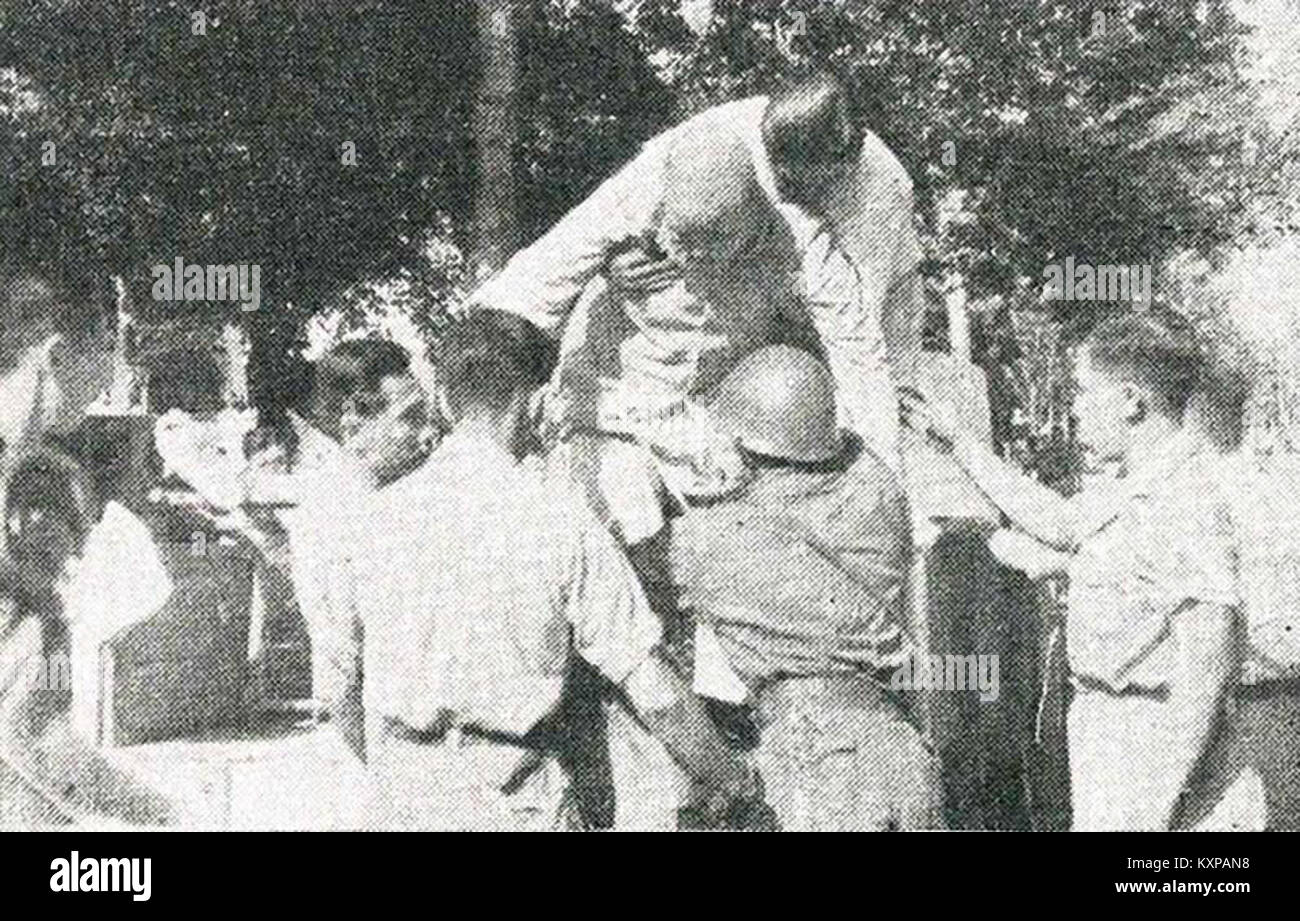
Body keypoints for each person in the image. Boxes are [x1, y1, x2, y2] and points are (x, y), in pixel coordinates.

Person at [470, 70, 918, 550]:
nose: (688, 257)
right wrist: (478, 398)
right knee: (611, 513)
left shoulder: (860, 210)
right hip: (620, 392)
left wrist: (883, 497)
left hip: (746, 384)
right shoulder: (684, 158)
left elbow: (861, 360)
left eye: (796, 187)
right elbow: (540, 275)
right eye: (680, 240)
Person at [351, 310, 761, 830]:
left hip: (400, 800)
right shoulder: (561, 520)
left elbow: (346, 688)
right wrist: (735, 781)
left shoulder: (374, 521)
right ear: (539, 401)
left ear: (446, 401)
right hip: (510, 800)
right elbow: (656, 692)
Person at [902, 310, 1258, 830]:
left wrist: (1156, 803)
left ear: (1132, 401)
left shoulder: (1182, 498)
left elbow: (1210, 662)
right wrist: (959, 449)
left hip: (1156, 749)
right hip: (1117, 738)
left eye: (1086, 392)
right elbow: (1066, 527)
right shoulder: (1137, 481)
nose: (1076, 408)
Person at [667, 345, 937, 831]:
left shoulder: (709, 537)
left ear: (746, 444)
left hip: (815, 755)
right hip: (901, 748)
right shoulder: (880, 495)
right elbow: (850, 452)